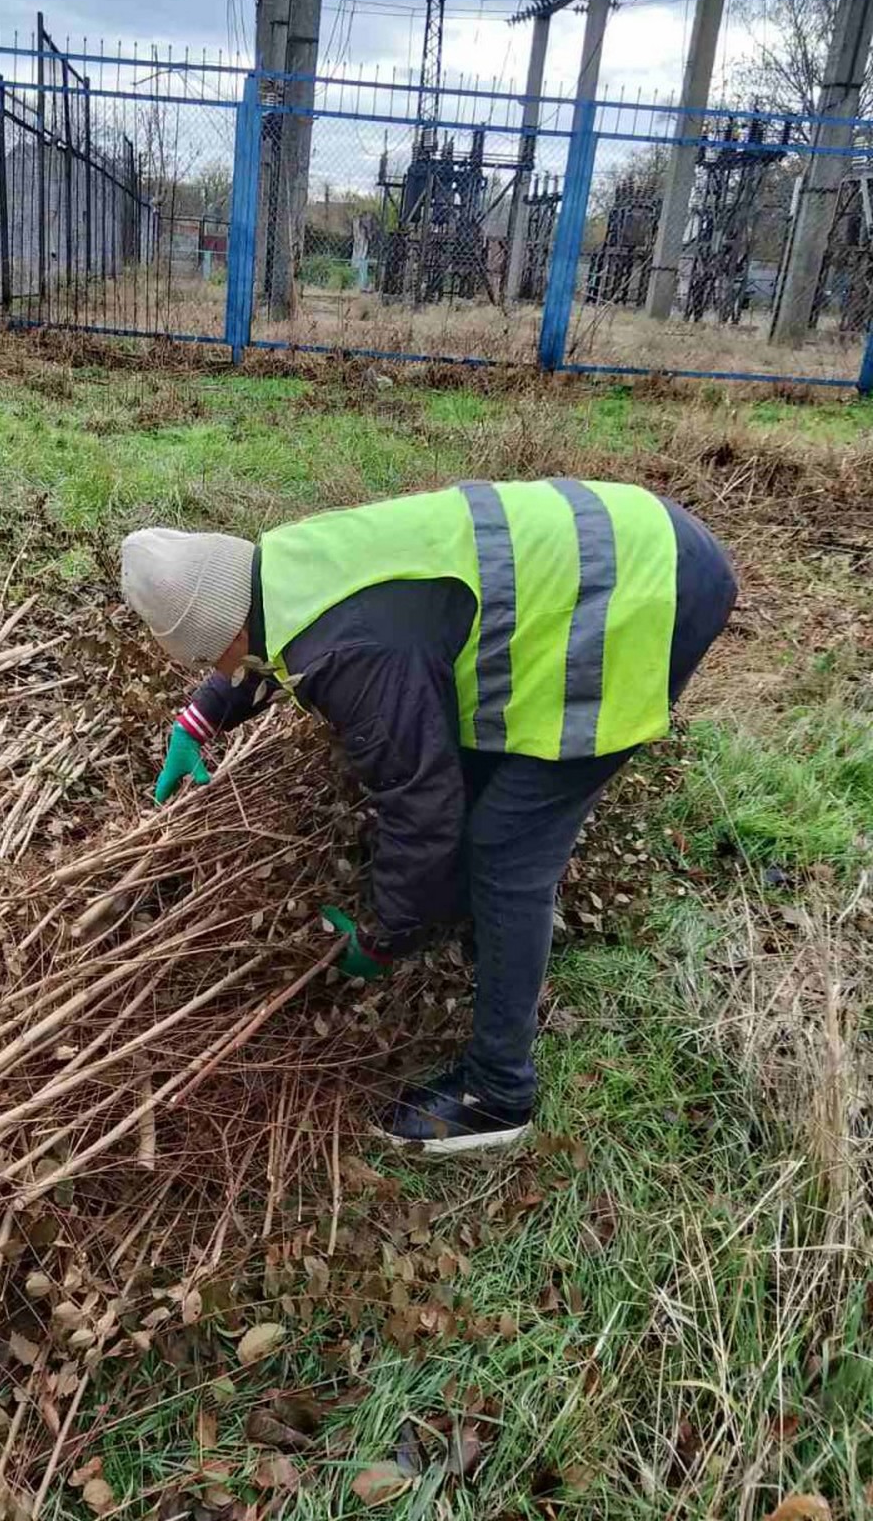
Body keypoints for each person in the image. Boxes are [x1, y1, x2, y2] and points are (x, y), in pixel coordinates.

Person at [121, 479, 737, 1156]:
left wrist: (383, 937)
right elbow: (263, 633)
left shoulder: (356, 657)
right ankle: (495, 941)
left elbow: (423, 809)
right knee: (476, 790)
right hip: (629, 533)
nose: (223, 669)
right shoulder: (285, 562)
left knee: (506, 848)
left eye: (214, 660)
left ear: (226, 627)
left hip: (640, 593)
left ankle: (497, 1096)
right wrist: (203, 714)